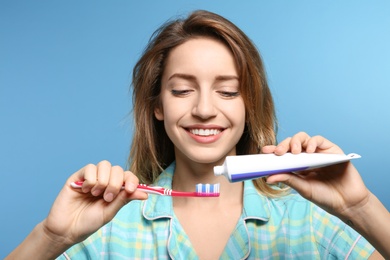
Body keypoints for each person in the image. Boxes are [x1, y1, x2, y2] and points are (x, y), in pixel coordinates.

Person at [7, 10, 390, 259]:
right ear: (157, 106)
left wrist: (360, 209)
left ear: (249, 105)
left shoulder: (305, 220)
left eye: (227, 90)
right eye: (182, 90)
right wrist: (51, 237)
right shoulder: (108, 229)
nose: (205, 108)